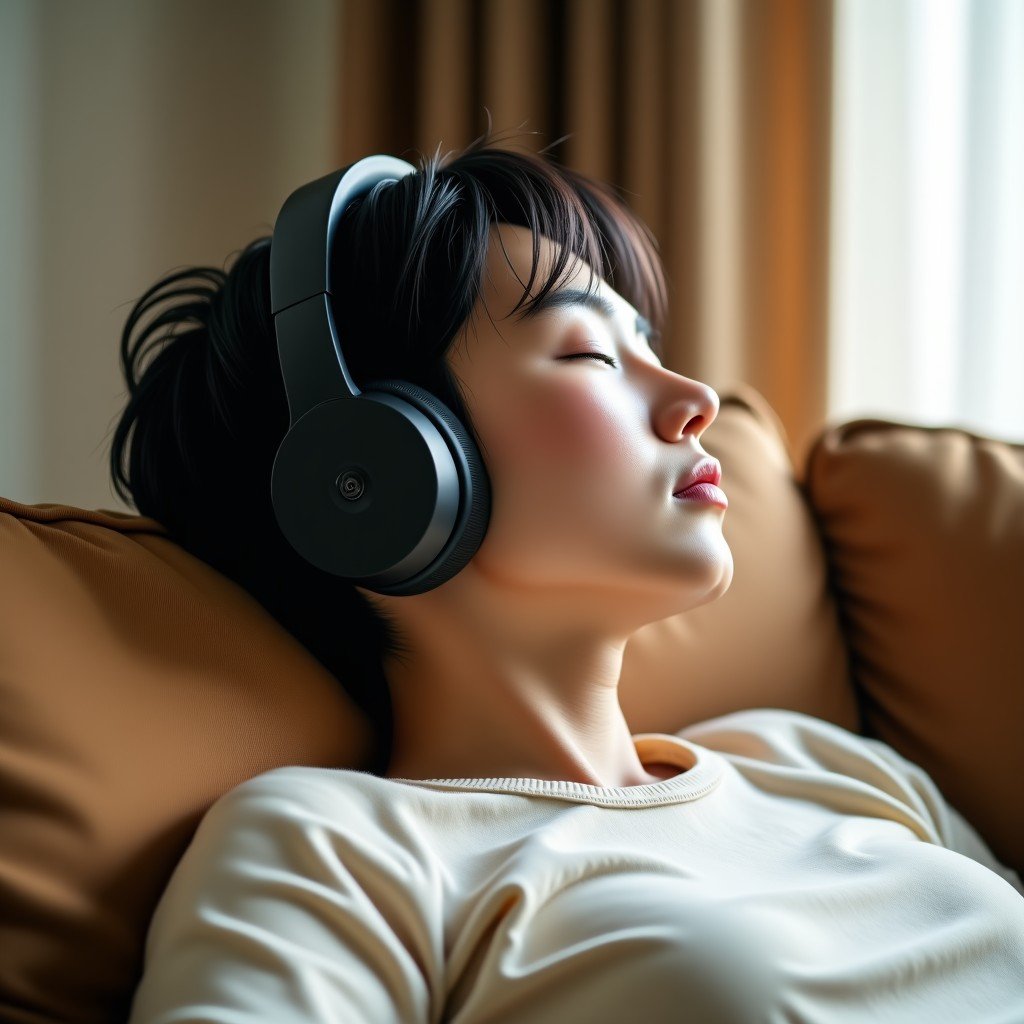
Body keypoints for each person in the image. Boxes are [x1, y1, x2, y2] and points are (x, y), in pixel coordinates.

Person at [116, 126, 1024, 1022]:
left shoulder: (822, 762)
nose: (695, 399)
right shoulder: (337, 849)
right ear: (377, 478)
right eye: (590, 354)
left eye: (649, 346)